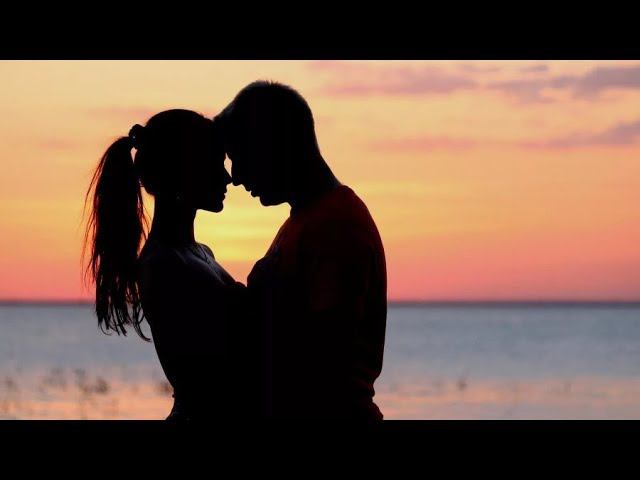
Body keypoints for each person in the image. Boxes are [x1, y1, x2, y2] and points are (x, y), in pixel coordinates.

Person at [217, 81, 387, 420]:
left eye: (239, 157)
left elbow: (324, 353)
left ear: (271, 146)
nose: (235, 177)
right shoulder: (307, 220)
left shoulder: (337, 226)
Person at [84, 109, 253, 421]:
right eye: (215, 163)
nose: (227, 177)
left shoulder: (199, 253)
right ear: (186, 171)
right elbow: (211, 373)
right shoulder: (164, 265)